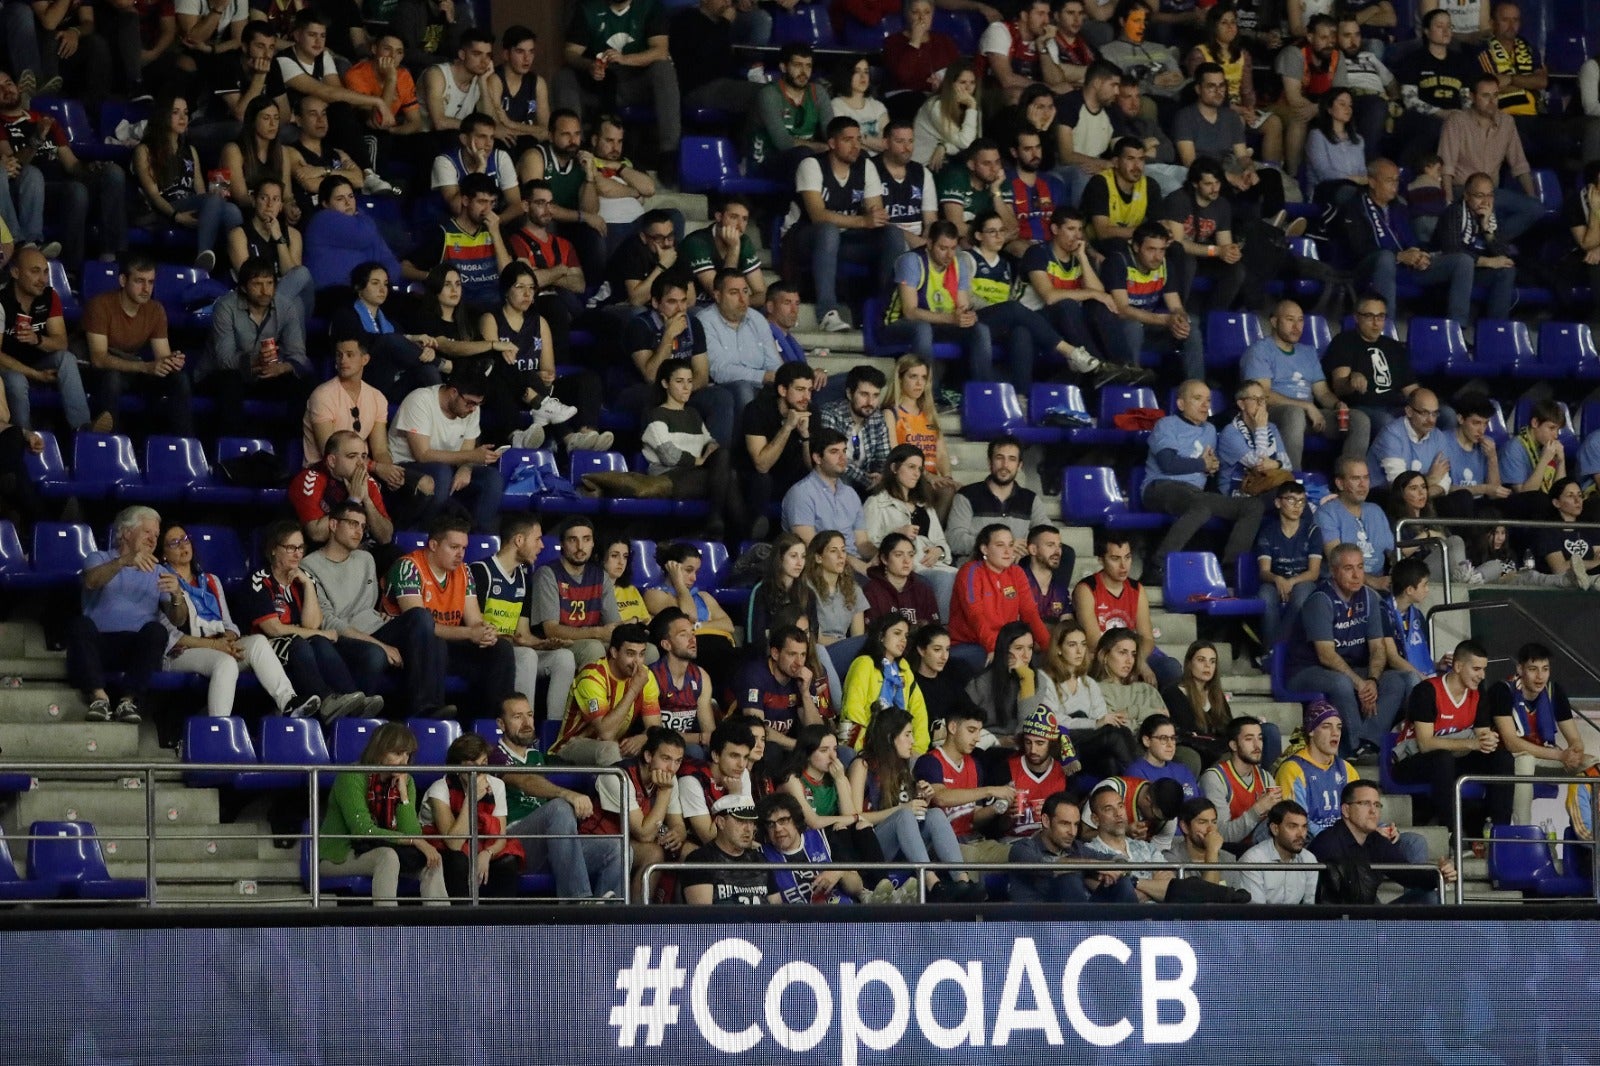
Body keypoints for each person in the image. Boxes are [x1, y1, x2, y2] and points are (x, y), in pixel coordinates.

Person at [299, 501, 448, 720]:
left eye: (363, 526)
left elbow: (367, 607)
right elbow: (329, 621)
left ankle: (425, 711)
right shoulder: (309, 565)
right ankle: (360, 718)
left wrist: (382, 619)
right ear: (333, 524)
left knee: (423, 621)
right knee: (375, 654)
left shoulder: (366, 559)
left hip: (376, 628)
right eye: (353, 524)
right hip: (343, 637)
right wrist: (381, 645)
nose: (359, 531)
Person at [156, 522, 315, 719]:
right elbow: (171, 637)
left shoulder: (211, 580)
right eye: (174, 543)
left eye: (185, 539)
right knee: (226, 662)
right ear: (164, 554)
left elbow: (229, 624)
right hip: (181, 653)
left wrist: (228, 639)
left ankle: (288, 702)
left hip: (219, 645)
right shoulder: (161, 582)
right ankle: (217, 725)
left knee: (258, 642)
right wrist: (215, 645)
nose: (183, 545)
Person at [242, 519, 382, 722]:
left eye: (300, 548)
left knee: (320, 642)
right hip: (268, 645)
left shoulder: (304, 577)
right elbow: (274, 629)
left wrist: (307, 585)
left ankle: (353, 699)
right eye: (291, 548)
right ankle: (326, 701)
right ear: (273, 549)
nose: (298, 554)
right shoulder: (258, 579)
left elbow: (312, 624)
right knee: (304, 643)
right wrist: (318, 633)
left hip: (301, 640)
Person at [492, 692, 627, 900]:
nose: (527, 723)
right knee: (560, 807)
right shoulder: (495, 755)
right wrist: (566, 794)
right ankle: (578, 901)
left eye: (529, 715)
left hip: (552, 842)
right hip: (515, 841)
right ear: (501, 724)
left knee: (619, 848)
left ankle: (605, 916)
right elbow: (525, 781)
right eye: (517, 717)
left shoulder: (536, 755)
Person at [380, 513, 516, 713]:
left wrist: (485, 631)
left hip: (445, 644)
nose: (460, 554)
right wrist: (470, 633)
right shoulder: (409, 567)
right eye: (454, 547)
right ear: (434, 545)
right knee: (427, 628)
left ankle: (496, 718)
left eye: (464, 548)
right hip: (405, 646)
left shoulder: (464, 571)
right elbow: (421, 626)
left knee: (501, 648)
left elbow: (474, 620)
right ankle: (427, 711)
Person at [785, 119, 906, 335]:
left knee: (892, 234)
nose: (855, 146)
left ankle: (883, 311)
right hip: (804, 238)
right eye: (848, 140)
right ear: (832, 143)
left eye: (858, 139)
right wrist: (863, 221)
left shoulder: (865, 166)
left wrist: (870, 219)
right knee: (828, 230)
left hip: (845, 239)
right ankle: (827, 312)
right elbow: (818, 215)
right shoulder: (812, 165)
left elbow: (876, 214)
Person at [847, 705, 977, 901]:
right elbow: (855, 818)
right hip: (871, 846)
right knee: (904, 815)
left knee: (935, 814)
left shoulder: (903, 766)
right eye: (907, 735)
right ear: (890, 738)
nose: (912, 741)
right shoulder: (863, 765)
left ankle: (963, 881)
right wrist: (902, 809)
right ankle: (933, 884)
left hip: (902, 842)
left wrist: (923, 799)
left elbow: (907, 815)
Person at [1141, 380, 1266, 585]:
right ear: (1181, 404)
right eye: (1197, 399)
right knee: (1201, 505)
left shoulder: (1209, 430)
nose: (1205, 405)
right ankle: (1158, 566)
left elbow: (1209, 464)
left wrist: (1212, 465)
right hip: (1161, 487)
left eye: (1208, 400)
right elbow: (1168, 463)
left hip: (1195, 493)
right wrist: (1202, 464)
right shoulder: (1166, 424)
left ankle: (1230, 570)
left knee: (1253, 506)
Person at [68, 507, 183, 724]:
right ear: (127, 532)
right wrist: (123, 561)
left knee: (157, 631)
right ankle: (99, 698)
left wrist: (178, 595)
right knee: (80, 625)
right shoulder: (99, 558)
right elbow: (91, 582)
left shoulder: (159, 571)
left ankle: (128, 701)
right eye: (147, 532)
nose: (153, 539)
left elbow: (179, 619)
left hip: (136, 649)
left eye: (156, 535)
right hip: (100, 644)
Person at [317, 722, 449, 905]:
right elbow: (363, 830)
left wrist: (403, 796)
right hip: (339, 855)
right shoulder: (352, 776)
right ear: (379, 752)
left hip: (385, 849)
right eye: (398, 753)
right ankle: (387, 921)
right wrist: (416, 841)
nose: (404, 762)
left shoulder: (406, 781)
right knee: (387, 856)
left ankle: (440, 921)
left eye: (407, 755)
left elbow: (411, 832)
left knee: (433, 860)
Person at [1392, 638, 1512, 834]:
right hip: (1411, 761)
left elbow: (1482, 736)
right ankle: (1451, 832)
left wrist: (1489, 740)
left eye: (1484, 669)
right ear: (1458, 666)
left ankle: (1500, 832)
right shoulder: (1426, 691)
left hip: (1453, 760)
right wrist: (1472, 744)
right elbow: (1425, 744)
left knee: (1502, 758)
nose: (1482, 675)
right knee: (1442, 758)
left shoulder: (1478, 694)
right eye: (1476, 669)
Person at [470, 514, 578, 727]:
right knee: (527, 656)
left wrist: (544, 644)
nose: (542, 545)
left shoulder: (523, 577)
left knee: (564, 657)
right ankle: (524, 729)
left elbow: (523, 634)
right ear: (519, 540)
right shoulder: (481, 571)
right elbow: (476, 628)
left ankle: (555, 731)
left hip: (514, 649)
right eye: (537, 539)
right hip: (488, 652)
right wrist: (520, 643)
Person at [1336, 158, 1475, 323]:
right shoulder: (1355, 207)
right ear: (1372, 182)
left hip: (1405, 268)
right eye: (1389, 181)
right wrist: (1398, 256)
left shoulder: (1399, 207)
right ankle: (1386, 327)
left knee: (1463, 261)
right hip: (1370, 267)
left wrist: (1420, 255)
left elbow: (1411, 241)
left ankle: (1457, 328)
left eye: (1396, 180)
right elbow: (1358, 249)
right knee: (1386, 257)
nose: (1394, 185)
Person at [1243, 299, 1366, 470]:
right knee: (1294, 414)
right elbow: (1262, 396)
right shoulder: (1259, 351)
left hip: (1309, 416)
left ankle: (1350, 476)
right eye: (1290, 320)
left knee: (1359, 420)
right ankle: (1292, 480)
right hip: (1274, 414)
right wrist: (1306, 406)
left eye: (1300, 320)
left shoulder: (1308, 352)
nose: (1297, 326)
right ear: (1274, 322)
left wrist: (1337, 404)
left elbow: (1322, 393)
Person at [78, 254, 189, 437]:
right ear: (123, 280)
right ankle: (111, 442)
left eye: (151, 282)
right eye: (139, 281)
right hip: (99, 372)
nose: (146, 289)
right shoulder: (100, 305)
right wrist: (145, 367)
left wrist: (171, 361)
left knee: (179, 379)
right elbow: (99, 359)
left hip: (133, 370)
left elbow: (162, 356)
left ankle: (184, 443)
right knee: (111, 378)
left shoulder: (155, 309)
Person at [1488, 642, 1599, 825]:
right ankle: (1524, 831)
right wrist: (1560, 755)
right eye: (1533, 669)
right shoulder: (1503, 690)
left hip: (1545, 756)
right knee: (1526, 760)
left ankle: (1587, 826)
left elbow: (1575, 739)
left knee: (1593, 764)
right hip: (1511, 759)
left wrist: (1575, 751)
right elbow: (1511, 743)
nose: (1540, 676)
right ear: (1520, 669)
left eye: (1545, 669)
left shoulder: (1554, 691)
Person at [386, 366, 505, 534]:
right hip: (406, 466)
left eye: (478, 404)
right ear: (453, 392)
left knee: (492, 479)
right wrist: (471, 457)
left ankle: (474, 539)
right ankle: (425, 535)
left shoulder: (471, 410)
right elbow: (423, 455)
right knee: (441, 474)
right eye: (470, 403)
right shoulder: (420, 400)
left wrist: (466, 468)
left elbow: (466, 451)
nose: (473, 409)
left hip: (447, 468)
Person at [131, 94, 242, 270]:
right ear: (163, 115)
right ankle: (202, 259)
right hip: (166, 210)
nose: (183, 118)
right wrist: (177, 216)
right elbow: (153, 196)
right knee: (217, 203)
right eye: (176, 112)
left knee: (232, 210)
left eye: (186, 112)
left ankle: (236, 268)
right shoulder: (144, 150)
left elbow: (200, 191)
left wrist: (214, 202)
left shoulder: (190, 150)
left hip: (190, 204)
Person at [200, 255, 312, 429]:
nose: (265, 290)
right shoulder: (225, 307)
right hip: (225, 374)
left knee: (305, 381)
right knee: (230, 381)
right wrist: (255, 360)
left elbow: (298, 355)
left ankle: (291, 440)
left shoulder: (285, 306)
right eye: (257, 284)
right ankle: (233, 441)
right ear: (243, 288)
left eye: (269, 283)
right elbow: (224, 360)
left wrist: (281, 368)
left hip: (264, 374)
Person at [1019, 206, 1136, 372]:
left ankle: (1126, 367)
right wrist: (1092, 293)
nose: (1077, 235)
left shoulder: (1079, 256)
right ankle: (1098, 367)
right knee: (1067, 304)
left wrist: (1082, 257)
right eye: (1071, 229)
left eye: (1080, 229)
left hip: (1070, 321)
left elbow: (1100, 294)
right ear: (1055, 229)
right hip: (1037, 318)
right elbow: (1049, 297)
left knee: (1098, 306)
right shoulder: (1037, 253)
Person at [582, 723, 686, 902]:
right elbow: (644, 834)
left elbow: (678, 823)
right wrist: (664, 793)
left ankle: (647, 910)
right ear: (648, 756)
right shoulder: (617, 776)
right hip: (595, 843)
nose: (672, 768)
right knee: (653, 853)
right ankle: (636, 912)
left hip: (627, 844)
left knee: (684, 850)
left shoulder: (668, 778)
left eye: (678, 761)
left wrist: (677, 833)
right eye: (666, 758)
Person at [1309, 779, 1457, 903]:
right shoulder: (1327, 844)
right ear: (1346, 810)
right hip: (1337, 922)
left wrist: (1440, 874)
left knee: (1431, 898)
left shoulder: (1376, 840)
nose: (1373, 811)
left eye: (1377, 805)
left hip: (1371, 916)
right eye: (1365, 803)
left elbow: (1409, 875)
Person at [418, 733, 525, 900]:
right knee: (459, 861)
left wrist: (487, 853)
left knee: (508, 863)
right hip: (444, 848)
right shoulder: (439, 789)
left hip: (481, 844)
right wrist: (471, 798)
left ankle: (501, 917)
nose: (479, 772)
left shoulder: (496, 785)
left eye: (483, 764)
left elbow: (500, 837)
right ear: (457, 768)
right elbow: (454, 843)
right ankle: (464, 916)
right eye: (472, 766)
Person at [879, 220, 993, 373]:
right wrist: (951, 319)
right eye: (943, 248)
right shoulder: (911, 261)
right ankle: (925, 385)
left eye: (953, 248)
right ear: (929, 243)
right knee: (923, 328)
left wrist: (966, 317)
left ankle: (983, 386)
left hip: (940, 324)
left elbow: (962, 305)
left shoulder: (958, 263)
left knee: (980, 329)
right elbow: (910, 312)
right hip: (899, 324)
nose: (949, 255)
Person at [914, 703, 1010, 882]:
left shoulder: (975, 765)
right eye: (971, 730)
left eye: (979, 732)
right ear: (952, 727)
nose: (977, 738)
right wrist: (989, 790)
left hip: (975, 840)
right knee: (971, 856)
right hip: (943, 845)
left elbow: (974, 817)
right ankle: (971, 899)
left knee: (1021, 852)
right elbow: (941, 798)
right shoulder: (930, 761)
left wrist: (999, 806)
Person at [0, 246, 89, 435]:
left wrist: (37, 339)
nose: (43, 279)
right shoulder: (2, 300)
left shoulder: (49, 296)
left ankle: (83, 430)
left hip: (37, 360)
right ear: (15, 272)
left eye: (45, 272)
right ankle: (25, 436)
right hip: (7, 366)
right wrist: (34, 374)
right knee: (17, 381)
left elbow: (61, 342)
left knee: (66, 358)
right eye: (35, 271)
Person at [328, 265, 441, 410]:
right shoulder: (345, 316)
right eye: (375, 283)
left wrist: (426, 352)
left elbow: (404, 348)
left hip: (391, 384)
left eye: (386, 284)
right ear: (358, 287)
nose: (382, 289)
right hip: (363, 380)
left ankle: (440, 415)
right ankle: (442, 364)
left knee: (428, 370)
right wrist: (409, 338)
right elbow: (362, 344)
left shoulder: (390, 324)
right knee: (390, 340)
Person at [1073, 531, 1176, 687]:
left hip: (1135, 652)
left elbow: (1147, 638)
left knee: (1171, 669)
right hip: (1103, 653)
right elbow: (1094, 641)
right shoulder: (1087, 588)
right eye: (1115, 559)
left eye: (1127, 557)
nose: (1123, 565)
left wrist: (1137, 661)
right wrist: (1128, 660)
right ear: (1101, 560)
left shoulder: (1137, 589)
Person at [1104, 222, 1205, 381]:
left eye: (1162, 250)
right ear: (1136, 247)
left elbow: (1176, 306)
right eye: (1151, 249)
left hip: (1149, 327)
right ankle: (1132, 379)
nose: (1158, 256)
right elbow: (1122, 310)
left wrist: (1180, 319)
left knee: (1191, 323)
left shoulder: (1165, 265)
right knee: (1133, 325)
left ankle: (1196, 386)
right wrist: (1164, 320)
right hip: (1120, 331)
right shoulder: (1119, 262)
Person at [1038, 619, 1138, 776]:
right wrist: (1095, 723)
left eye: (1083, 644)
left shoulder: (1089, 683)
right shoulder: (1044, 678)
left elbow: (1101, 717)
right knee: (1114, 735)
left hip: (1088, 741)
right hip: (1062, 742)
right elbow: (1053, 720)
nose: (1079, 651)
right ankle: (1140, 782)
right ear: (1058, 649)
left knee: (1111, 756)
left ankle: (1130, 786)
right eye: (1072, 645)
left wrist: (1101, 722)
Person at [551, 622, 660, 766]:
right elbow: (606, 733)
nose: (637, 662)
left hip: (614, 745)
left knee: (660, 748)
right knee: (609, 749)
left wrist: (644, 738)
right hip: (572, 746)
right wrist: (634, 689)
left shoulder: (646, 676)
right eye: (630, 654)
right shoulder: (592, 678)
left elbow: (655, 728)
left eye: (641, 654)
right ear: (614, 653)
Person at [1185, 3, 1283, 164]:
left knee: (1274, 123)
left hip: (1240, 107)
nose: (1230, 27)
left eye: (1233, 22)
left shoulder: (1243, 54)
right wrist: (1237, 110)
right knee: (1237, 120)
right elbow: (1199, 92)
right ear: (1213, 26)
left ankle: (1271, 170)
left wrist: (1250, 110)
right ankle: (1235, 165)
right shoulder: (1199, 53)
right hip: (1213, 107)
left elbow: (1247, 91)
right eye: (1224, 23)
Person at [949, 523, 1052, 673]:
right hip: (971, 643)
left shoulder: (1017, 572)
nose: (1007, 551)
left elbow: (1030, 613)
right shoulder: (970, 571)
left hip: (1007, 643)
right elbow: (975, 616)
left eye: (1010, 545)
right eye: (1000, 545)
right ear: (984, 549)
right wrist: (995, 647)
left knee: (1044, 661)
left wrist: (1050, 649)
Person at [400, 173, 512, 311]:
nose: (488, 210)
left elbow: (509, 276)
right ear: (465, 200)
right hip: (459, 309)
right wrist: (433, 277)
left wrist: (495, 234)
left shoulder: (496, 229)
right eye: (482, 202)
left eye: (492, 202)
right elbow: (404, 268)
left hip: (497, 308)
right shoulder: (443, 233)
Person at [865, 444, 957, 606]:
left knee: (966, 576)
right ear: (894, 468)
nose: (916, 474)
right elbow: (868, 546)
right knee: (945, 579)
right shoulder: (876, 503)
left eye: (919, 469)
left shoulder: (924, 505)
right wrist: (896, 534)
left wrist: (939, 551)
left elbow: (941, 541)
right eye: (911, 467)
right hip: (908, 569)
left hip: (936, 565)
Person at [1010, 791, 1141, 903]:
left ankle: (1135, 925)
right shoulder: (1023, 847)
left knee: (1122, 883)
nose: (1072, 832)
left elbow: (1118, 859)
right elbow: (1047, 865)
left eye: (1076, 825)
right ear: (1046, 821)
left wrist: (1116, 870)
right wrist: (1097, 866)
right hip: (1037, 920)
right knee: (1069, 879)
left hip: (1079, 914)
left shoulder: (1076, 847)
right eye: (1065, 824)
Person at [1323, 291, 1421, 438]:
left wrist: (1426, 404)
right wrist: (1352, 379)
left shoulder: (1394, 347)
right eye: (1369, 316)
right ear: (1356, 317)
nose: (1376, 323)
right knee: (1387, 421)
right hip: (1361, 408)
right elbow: (1339, 387)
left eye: (1380, 316)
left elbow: (1411, 390)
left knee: (1445, 415)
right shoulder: (1344, 341)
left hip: (1394, 406)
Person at [641, 544, 738, 690]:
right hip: (692, 651)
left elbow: (728, 625)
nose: (694, 578)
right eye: (688, 570)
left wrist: (697, 626)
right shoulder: (655, 594)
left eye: (696, 572)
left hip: (718, 649)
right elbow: (689, 615)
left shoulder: (703, 596)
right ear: (672, 568)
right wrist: (679, 584)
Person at [1156, 157, 1245, 314]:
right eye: (1208, 184)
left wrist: (1231, 252)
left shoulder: (1222, 205)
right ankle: (1178, 314)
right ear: (1195, 183)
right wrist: (1216, 251)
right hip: (1174, 256)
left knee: (1236, 269)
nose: (1215, 189)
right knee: (1187, 261)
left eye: (1217, 183)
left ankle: (1214, 316)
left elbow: (1224, 244)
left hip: (1203, 255)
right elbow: (1178, 243)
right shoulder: (1178, 200)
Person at [947, 436, 1052, 560]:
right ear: (989, 462)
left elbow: (1048, 536)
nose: (1005, 465)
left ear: (1019, 466)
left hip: (1017, 567)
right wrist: (1002, 545)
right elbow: (954, 540)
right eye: (999, 458)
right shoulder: (967, 495)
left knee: (1065, 553)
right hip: (978, 565)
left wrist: (1027, 546)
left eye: (1012, 459)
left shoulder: (1030, 499)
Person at [1433, 170, 1520, 320]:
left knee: (1506, 269)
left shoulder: (1491, 216)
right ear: (1467, 196)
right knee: (1464, 262)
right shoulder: (1454, 212)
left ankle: (1496, 327)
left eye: (1490, 195)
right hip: (1447, 269)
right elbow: (1452, 249)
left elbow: (1503, 254)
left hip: (1475, 270)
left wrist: (1486, 229)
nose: (1486, 201)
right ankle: (1457, 327)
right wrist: (1487, 261)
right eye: (1480, 196)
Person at [783, 433, 876, 570]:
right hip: (822, 569)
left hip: (854, 565)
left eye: (844, 451)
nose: (843, 457)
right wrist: (855, 563)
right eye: (834, 452)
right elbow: (811, 547)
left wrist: (883, 556)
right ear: (817, 458)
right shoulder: (801, 493)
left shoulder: (850, 493)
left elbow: (862, 544)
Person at [881, 354, 958, 518]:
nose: (919, 383)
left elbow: (941, 454)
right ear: (900, 379)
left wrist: (947, 478)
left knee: (958, 491)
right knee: (945, 492)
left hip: (931, 478)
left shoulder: (929, 414)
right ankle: (930, 531)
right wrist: (928, 476)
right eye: (913, 377)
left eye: (923, 377)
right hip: (908, 478)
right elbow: (895, 455)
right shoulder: (891, 413)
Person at [226, 177, 314, 320]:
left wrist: (278, 237)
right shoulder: (238, 234)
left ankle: (267, 316)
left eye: (275, 199)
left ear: (281, 206)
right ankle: (269, 318)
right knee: (295, 304)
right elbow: (247, 279)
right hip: (255, 299)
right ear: (254, 200)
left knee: (302, 274)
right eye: (264, 198)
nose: (269, 204)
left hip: (282, 299)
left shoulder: (293, 235)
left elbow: (292, 276)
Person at [741, 361, 816, 528]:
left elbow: (814, 467)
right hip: (757, 479)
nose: (807, 397)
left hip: (791, 479)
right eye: (800, 390)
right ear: (782, 390)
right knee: (762, 480)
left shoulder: (811, 412)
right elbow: (762, 465)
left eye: (810, 390)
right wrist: (787, 427)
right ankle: (755, 531)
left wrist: (805, 437)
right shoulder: (757, 410)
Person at [840, 612, 928, 753]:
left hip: (900, 746)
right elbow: (853, 710)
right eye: (897, 633)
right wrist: (864, 750)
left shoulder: (904, 669)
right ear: (881, 635)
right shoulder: (864, 664)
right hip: (867, 747)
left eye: (906, 636)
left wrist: (918, 751)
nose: (903, 640)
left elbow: (919, 711)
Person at [303, 175, 405, 297]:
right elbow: (363, 235)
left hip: (364, 293)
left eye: (351, 196)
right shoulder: (322, 220)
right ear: (325, 203)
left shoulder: (364, 224)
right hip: (332, 296)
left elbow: (392, 265)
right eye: (340, 199)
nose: (348, 202)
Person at [1274, 699, 1358, 837]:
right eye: (1327, 726)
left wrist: (1382, 829)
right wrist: (1334, 839)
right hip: (1308, 843)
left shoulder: (1347, 769)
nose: (1335, 733)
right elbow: (1296, 822)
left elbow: (1360, 813)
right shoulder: (1292, 769)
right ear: (1311, 731)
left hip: (1343, 840)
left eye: (1338, 727)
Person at [746, 41, 832, 176]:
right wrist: (825, 147)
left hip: (805, 159)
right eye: (797, 65)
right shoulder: (769, 94)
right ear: (783, 67)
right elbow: (784, 143)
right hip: (765, 162)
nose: (804, 72)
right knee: (804, 156)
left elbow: (832, 132)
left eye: (808, 66)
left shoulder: (818, 92)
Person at [1254, 479, 1322, 647]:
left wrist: (1291, 581)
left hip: (1303, 581)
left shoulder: (1312, 531)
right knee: (1265, 596)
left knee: (1301, 598)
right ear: (1278, 503)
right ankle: (1270, 651)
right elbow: (1264, 571)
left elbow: (1313, 573)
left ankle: (1277, 649)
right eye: (1291, 500)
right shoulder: (1268, 532)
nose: (1297, 506)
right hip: (1275, 581)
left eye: (1301, 501)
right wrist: (1277, 579)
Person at [1200, 715, 1283, 853]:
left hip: (1262, 852)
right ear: (1233, 745)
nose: (1257, 745)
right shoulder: (1215, 778)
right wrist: (1257, 810)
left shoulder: (1265, 778)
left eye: (1260, 738)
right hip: (1228, 854)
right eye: (1249, 739)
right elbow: (1221, 836)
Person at [1316, 457, 1394, 587]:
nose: (1363, 485)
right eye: (1355, 478)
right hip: (1341, 585)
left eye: (1366, 478)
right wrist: (1373, 582)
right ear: (1340, 483)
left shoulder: (1375, 510)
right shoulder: (1326, 513)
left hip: (1379, 583)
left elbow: (1393, 553)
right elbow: (1337, 561)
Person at [680, 794, 769, 905]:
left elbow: (775, 907)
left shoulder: (760, 860)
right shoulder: (700, 860)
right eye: (740, 821)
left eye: (751, 822)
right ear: (721, 822)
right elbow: (702, 913)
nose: (748, 829)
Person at [820, 366, 891, 498]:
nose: (870, 402)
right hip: (839, 478)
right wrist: (867, 479)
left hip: (868, 482)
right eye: (864, 394)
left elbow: (884, 457)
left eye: (875, 395)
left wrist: (880, 475)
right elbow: (835, 459)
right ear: (849, 394)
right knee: (842, 480)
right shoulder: (831, 414)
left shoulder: (877, 417)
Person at [1217, 380, 1293, 498]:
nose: (1260, 404)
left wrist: (1277, 464)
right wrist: (1261, 428)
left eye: (1262, 399)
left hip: (1268, 486)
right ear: (1241, 404)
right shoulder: (1230, 433)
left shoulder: (1272, 428)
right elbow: (1259, 466)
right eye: (1254, 399)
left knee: (1291, 497)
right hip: (1236, 491)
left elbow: (1288, 465)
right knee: (1286, 498)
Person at [874, 120, 938, 251]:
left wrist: (926, 243)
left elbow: (930, 220)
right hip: (884, 239)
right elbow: (875, 220)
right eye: (900, 142)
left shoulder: (922, 172)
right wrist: (912, 239)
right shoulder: (870, 169)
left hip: (919, 239)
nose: (907, 148)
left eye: (910, 141)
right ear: (886, 143)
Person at [1237, 799, 1318, 903]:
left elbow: (1311, 906)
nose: (1301, 834)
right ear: (1275, 829)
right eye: (1292, 827)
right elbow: (1256, 910)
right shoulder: (1253, 860)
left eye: (1304, 827)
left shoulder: (1309, 859)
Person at [863, 532, 943, 630]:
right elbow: (873, 633)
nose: (906, 561)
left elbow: (934, 632)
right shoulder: (872, 591)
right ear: (884, 559)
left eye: (911, 555)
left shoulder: (923, 589)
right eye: (899, 555)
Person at [883, 0, 962, 96]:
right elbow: (902, 77)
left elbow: (959, 72)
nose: (922, 18)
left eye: (927, 12)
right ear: (907, 14)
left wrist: (943, 85)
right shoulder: (893, 42)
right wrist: (915, 41)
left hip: (939, 96)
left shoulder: (944, 41)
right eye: (915, 12)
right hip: (905, 96)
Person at [913, 62, 982, 170]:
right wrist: (972, 107)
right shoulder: (936, 106)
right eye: (962, 82)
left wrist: (945, 147)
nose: (968, 88)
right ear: (951, 84)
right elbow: (965, 142)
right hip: (924, 165)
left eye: (972, 83)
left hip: (948, 160)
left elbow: (975, 143)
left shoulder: (971, 107)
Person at [1130, 712, 1203, 792]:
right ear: (1147, 741)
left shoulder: (1183, 770)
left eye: (1173, 738)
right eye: (1163, 738)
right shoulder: (1135, 773)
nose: (1170, 744)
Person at [1022, 525, 1074, 625]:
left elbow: (1067, 626)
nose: (1057, 551)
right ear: (1033, 549)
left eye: (1059, 546)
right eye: (1050, 545)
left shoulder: (1060, 587)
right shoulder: (1017, 581)